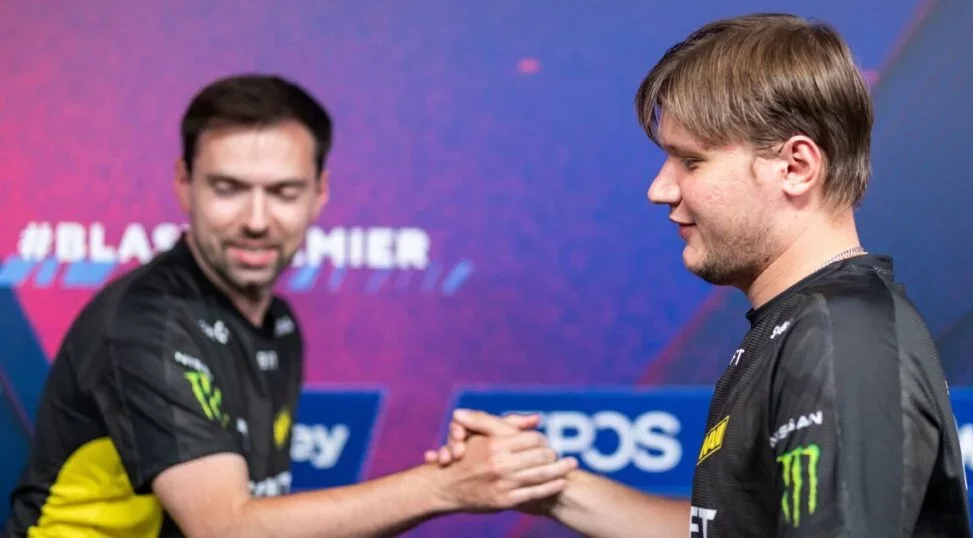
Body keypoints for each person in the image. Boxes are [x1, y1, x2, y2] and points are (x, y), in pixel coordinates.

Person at [426, 12, 973, 537]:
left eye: (691, 161)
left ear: (796, 167)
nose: (660, 190)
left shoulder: (839, 337)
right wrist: (543, 484)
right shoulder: (800, 324)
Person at [4, 74, 577, 538]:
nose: (257, 221)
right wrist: (445, 487)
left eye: (283, 192)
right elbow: (225, 527)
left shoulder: (277, 324)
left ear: (319, 193)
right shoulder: (144, 324)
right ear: (184, 183)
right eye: (228, 188)